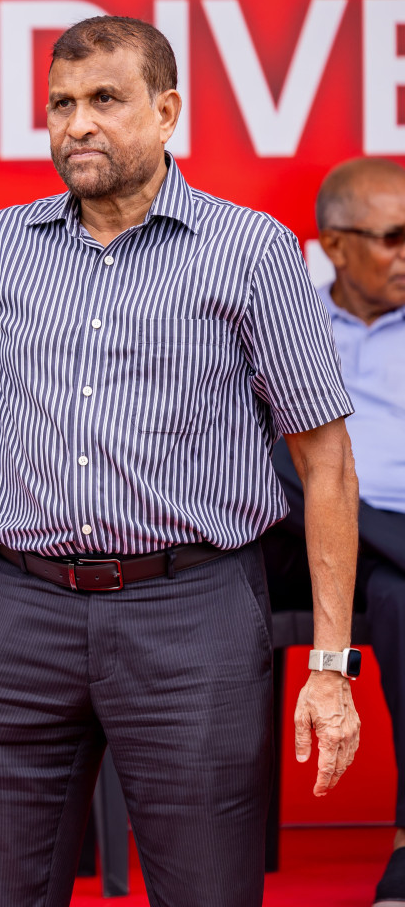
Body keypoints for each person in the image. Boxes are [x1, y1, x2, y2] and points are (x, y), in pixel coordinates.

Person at [0, 16, 362, 907]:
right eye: (61, 105)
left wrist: (329, 668)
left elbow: (326, 462)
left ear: (168, 110)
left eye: (105, 100)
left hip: (193, 614)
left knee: (207, 893)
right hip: (19, 612)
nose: (78, 125)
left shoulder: (249, 249)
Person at [260, 157, 405, 907]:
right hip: (297, 540)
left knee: (399, 593)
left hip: (390, 554)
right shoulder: (292, 322)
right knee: (274, 461)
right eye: (393, 237)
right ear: (335, 245)